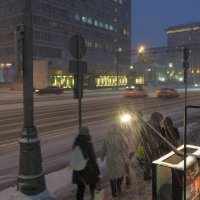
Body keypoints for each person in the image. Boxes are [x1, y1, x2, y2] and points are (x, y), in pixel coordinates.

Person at [101, 123, 129, 197]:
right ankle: (118, 186)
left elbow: (103, 148)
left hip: (110, 159)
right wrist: (126, 156)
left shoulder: (106, 137)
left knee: (112, 175)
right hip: (119, 158)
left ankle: (113, 190)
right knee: (121, 173)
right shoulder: (120, 137)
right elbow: (125, 148)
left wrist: (102, 156)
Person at [72, 127, 100, 200]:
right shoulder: (88, 143)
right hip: (89, 169)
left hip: (78, 170)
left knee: (80, 188)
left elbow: (73, 157)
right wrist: (97, 171)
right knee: (93, 187)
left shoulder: (76, 143)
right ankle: (95, 198)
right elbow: (93, 158)